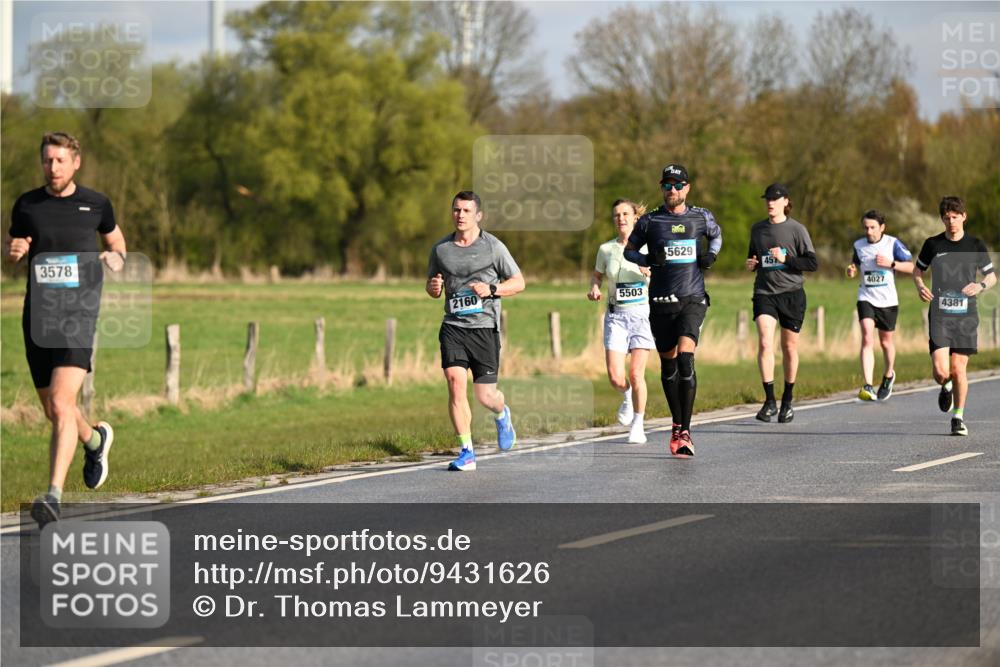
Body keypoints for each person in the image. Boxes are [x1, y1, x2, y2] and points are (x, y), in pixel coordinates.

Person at [6, 132, 126, 528]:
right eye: (47, 161)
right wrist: (15, 251)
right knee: (52, 409)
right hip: (38, 316)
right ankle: (94, 441)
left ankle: (53, 496)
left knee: (60, 402)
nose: (52, 167)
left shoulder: (96, 204)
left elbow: (116, 243)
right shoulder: (27, 204)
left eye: (59, 160)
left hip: (79, 315)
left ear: (76, 162)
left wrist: (116, 259)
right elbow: (16, 244)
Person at [625, 164, 722, 458]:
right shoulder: (650, 221)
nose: (672, 190)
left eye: (677, 185)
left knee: (686, 361)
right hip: (660, 303)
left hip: (692, 299)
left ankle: (686, 432)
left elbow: (717, 236)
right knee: (668, 366)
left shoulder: (701, 217)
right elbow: (629, 250)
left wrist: (711, 255)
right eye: (667, 185)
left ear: (687, 188)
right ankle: (676, 423)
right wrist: (645, 256)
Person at [427, 191, 525, 471]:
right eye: (456, 210)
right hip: (453, 327)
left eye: (467, 211)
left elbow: (519, 282)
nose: (460, 215)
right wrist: (434, 289)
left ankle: (501, 413)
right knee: (455, 384)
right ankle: (466, 451)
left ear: (478, 215)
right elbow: (432, 285)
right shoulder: (441, 249)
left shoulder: (493, 247)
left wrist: (493, 289)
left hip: (484, 329)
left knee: (485, 396)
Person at [913, 196, 995, 436]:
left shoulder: (975, 245)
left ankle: (958, 417)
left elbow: (992, 277)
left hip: (966, 316)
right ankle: (945, 385)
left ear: (964, 217)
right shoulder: (933, 244)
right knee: (940, 371)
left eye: (955, 217)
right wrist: (919, 286)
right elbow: (918, 270)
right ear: (942, 219)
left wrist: (980, 286)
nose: (951, 222)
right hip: (939, 315)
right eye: (947, 218)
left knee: (958, 368)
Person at [746, 183, 818, 424]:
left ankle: (787, 399)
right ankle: (769, 401)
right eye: (767, 199)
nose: (770, 203)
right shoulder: (758, 229)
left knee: (788, 347)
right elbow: (754, 257)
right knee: (765, 341)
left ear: (786, 202)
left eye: (775, 199)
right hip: (765, 292)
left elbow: (811, 263)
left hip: (792, 294)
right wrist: (752, 264)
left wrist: (786, 258)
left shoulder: (797, 229)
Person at [588, 199, 654, 444]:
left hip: (642, 315)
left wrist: (651, 272)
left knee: (637, 374)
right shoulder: (606, 250)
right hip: (616, 317)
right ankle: (627, 396)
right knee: (616, 377)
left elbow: (665, 278)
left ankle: (638, 424)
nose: (621, 218)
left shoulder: (648, 247)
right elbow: (596, 276)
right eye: (616, 215)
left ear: (635, 217)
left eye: (626, 214)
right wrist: (594, 288)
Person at [846, 210, 914, 401]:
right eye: (866, 227)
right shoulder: (858, 245)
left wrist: (891, 263)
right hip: (866, 297)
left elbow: (911, 267)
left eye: (873, 227)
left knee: (885, 342)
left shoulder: (892, 243)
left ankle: (888, 375)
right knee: (867, 337)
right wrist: (851, 270)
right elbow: (855, 264)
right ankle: (868, 385)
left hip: (888, 300)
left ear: (882, 227)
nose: (869, 231)